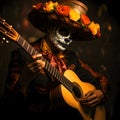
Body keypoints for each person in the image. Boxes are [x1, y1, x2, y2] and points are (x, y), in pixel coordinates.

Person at [1, 0, 110, 120]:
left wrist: (100, 92)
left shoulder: (71, 58)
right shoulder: (22, 54)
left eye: (72, 35)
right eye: (64, 32)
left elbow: (100, 79)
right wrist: (24, 80)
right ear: (49, 27)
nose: (68, 40)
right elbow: (9, 107)